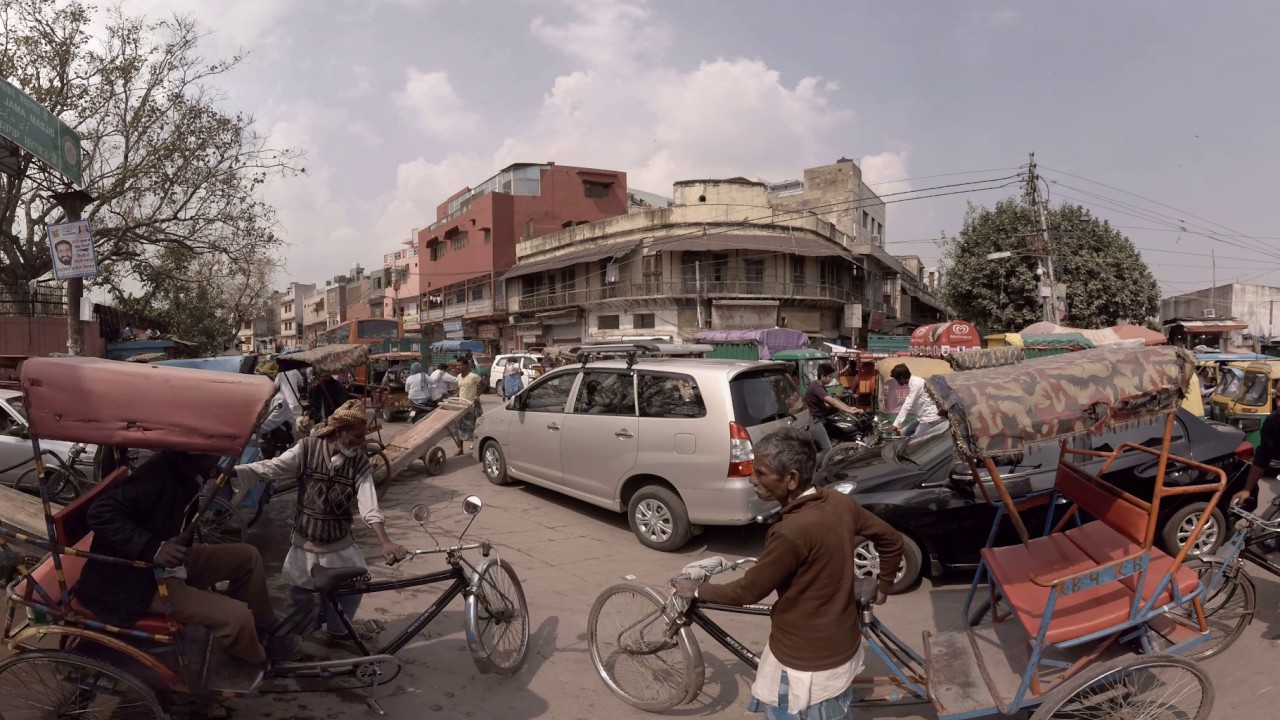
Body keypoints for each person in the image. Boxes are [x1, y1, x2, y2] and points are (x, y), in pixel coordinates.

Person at [674, 429, 903, 720]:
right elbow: (891, 540)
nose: (752, 479)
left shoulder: (790, 532)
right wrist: (883, 587)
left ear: (791, 479)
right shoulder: (837, 502)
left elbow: (746, 591)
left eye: (761, 473)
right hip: (843, 642)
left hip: (805, 660)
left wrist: (696, 590)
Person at [76, 451, 298, 686]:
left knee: (247, 556)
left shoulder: (190, 470)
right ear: (196, 451)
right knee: (236, 617)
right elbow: (100, 513)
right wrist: (153, 548)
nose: (219, 457)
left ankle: (263, 628)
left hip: (169, 563)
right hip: (133, 580)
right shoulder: (157, 473)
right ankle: (255, 657)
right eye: (215, 454)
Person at [234, 400, 407, 650]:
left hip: (339, 542)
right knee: (300, 596)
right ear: (339, 432)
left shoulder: (359, 462)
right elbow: (273, 467)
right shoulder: (306, 449)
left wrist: (385, 541)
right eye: (356, 436)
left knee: (353, 586)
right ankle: (293, 642)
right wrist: (236, 472)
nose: (360, 443)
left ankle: (337, 629)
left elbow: (369, 505)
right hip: (305, 541)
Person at [804, 363, 862, 451]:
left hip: (820, 418)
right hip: (814, 421)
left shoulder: (819, 386)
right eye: (830, 377)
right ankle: (814, 464)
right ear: (823, 377)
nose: (831, 379)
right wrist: (849, 410)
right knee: (827, 449)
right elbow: (831, 401)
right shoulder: (816, 387)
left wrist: (849, 408)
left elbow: (835, 399)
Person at [889, 364, 942, 438]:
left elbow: (907, 405)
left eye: (897, 380)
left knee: (915, 442)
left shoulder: (916, 384)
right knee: (903, 433)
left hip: (929, 419)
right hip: (921, 418)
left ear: (901, 378)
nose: (897, 383)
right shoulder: (913, 383)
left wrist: (895, 424)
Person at [456, 361, 485, 455]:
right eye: (457, 365)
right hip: (461, 406)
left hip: (472, 406)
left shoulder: (473, 376)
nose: (457, 367)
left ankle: (477, 449)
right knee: (459, 428)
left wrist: (478, 395)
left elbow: (485, 384)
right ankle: (460, 449)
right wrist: (455, 396)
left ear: (466, 366)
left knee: (474, 428)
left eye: (459, 365)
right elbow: (461, 389)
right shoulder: (459, 377)